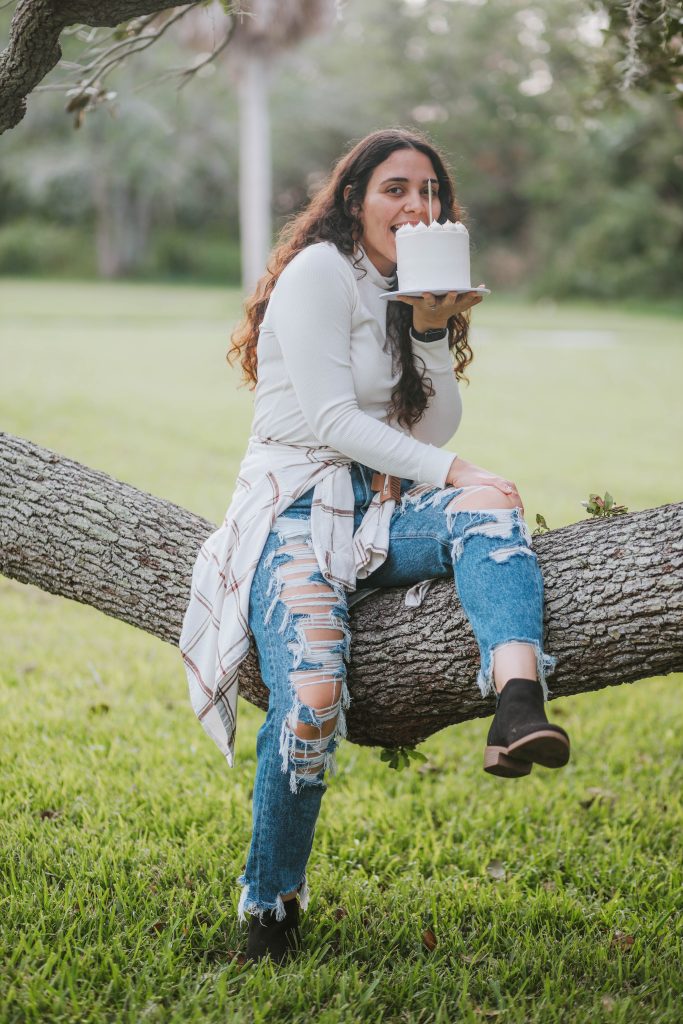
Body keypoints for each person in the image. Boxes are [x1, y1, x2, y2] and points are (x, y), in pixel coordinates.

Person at [179, 127, 569, 966]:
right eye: (397, 189)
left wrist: (428, 332)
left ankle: (516, 703)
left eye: (430, 192)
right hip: (293, 511)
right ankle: (269, 901)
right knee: (313, 695)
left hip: (379, 509)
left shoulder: (405, 287)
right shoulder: (319, 271)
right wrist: (454, 469)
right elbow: (331, 420)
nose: (417, 206)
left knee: (488, 509)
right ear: (355, 198)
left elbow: (427, 428)